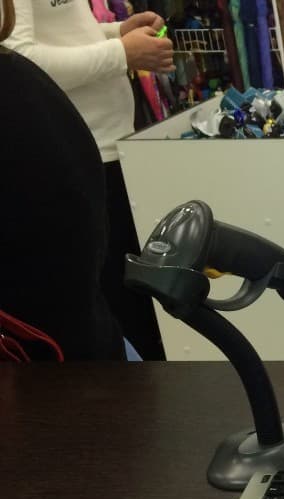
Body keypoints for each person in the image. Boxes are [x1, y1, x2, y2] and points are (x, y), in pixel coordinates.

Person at [4, 0, 175, 356]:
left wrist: (115, 34)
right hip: (83, 157)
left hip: (107, 147)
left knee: (135, 306)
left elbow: (55, 37)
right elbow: (19, 54)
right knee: (121, 312)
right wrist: (120, 52)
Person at [0, 0, 125, 360]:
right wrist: (119, 49)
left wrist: (116, 41)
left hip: (51, 354)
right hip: (70, 341)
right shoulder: (17, 78)